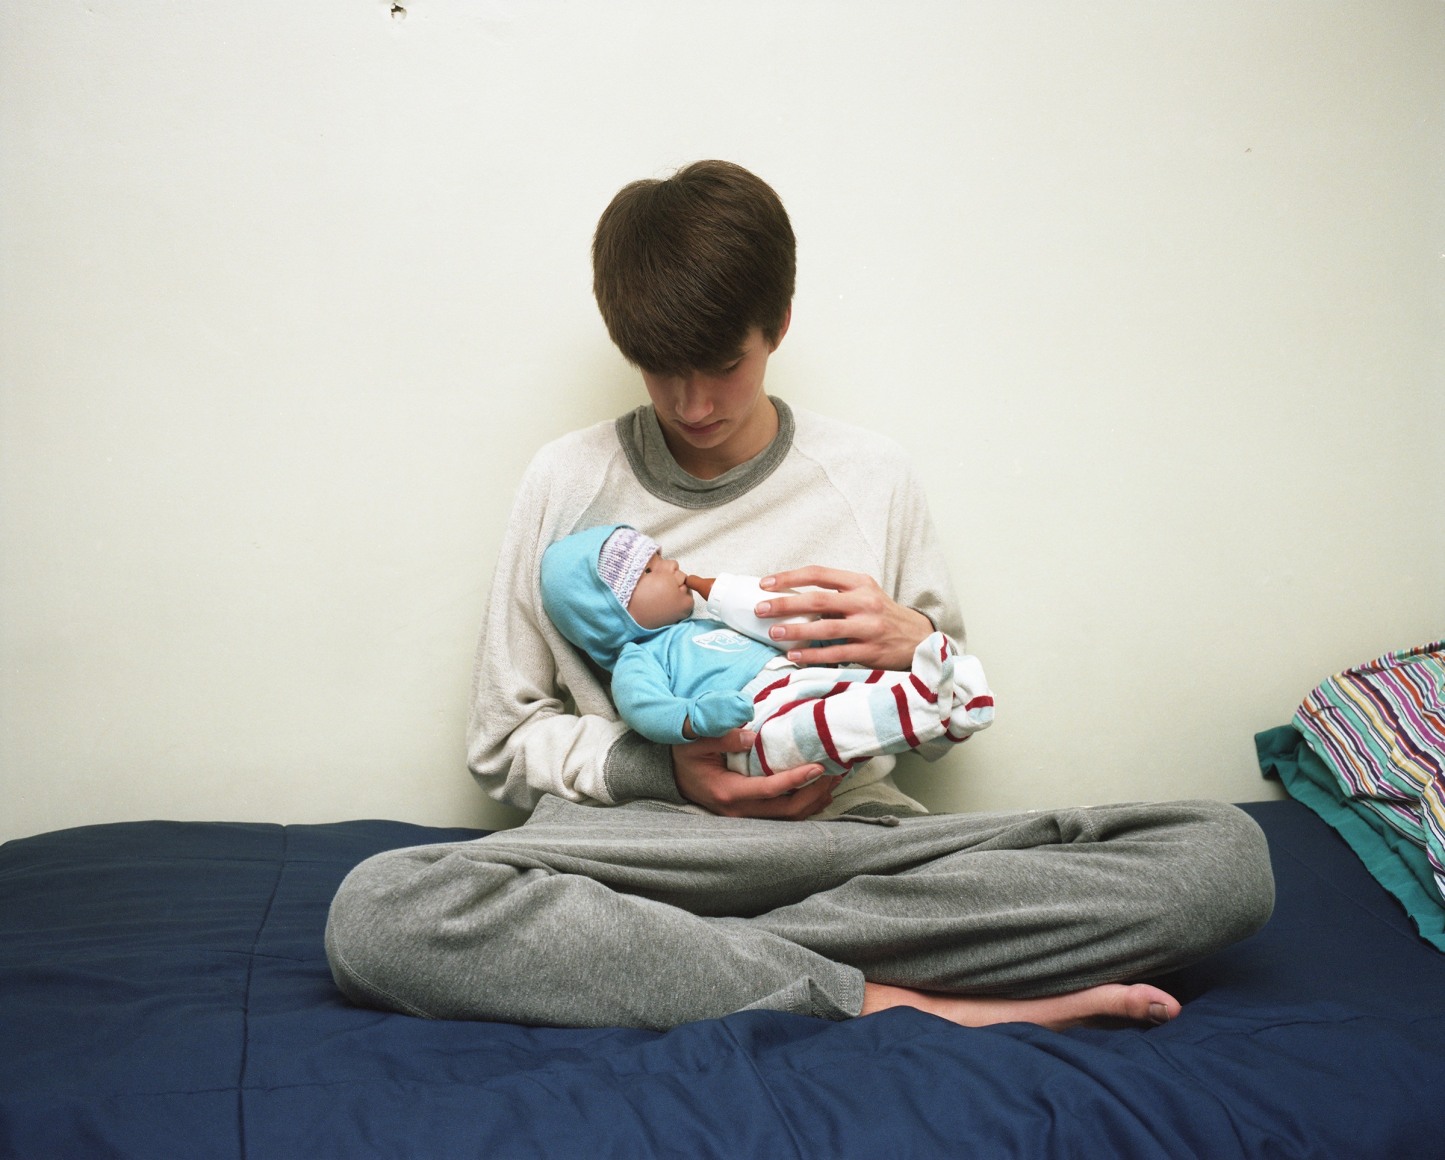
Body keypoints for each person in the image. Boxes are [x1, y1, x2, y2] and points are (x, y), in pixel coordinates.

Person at [325, 160, 1274, 1032]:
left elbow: (941, 728)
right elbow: (502, 740)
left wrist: (913, 646)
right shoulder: (564, 481)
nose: (693, 405)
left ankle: (716, 970)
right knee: (376, 909)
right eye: (662, 370)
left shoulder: (870, 476)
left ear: (776, 326)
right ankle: (891, 996)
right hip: (646, 864)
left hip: (846, 855)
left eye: (723, 365)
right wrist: (670, 773)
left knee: (1221, 855)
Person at [538, 522, 996, 778]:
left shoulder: (704, 622)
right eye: (651, 569)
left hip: (789, 681)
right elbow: (644, 709)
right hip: (755, 722)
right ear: (610, 612)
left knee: (856, 686)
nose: (672, 564)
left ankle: (948, 708)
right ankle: (923, 712)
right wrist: (697, 717)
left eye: (661, 555)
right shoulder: (638, 661)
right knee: (822, 722)